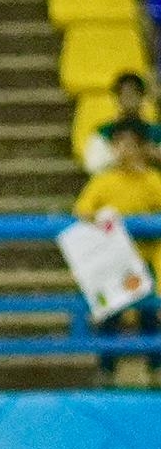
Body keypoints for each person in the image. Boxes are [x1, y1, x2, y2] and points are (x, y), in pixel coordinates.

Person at [74, 121, 161, 375]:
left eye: (131, 145)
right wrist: (98, 219)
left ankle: (155, 368)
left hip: (143, 260)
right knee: (110, 317)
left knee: (148, 316)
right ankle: (107, 369)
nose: (125, 150)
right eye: (119, 144)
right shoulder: (103, 181)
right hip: (113, 262)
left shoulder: (152, 180)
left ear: (142, 149)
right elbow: (83, 209)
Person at [82, 70, 158, 173]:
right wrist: (118, 156)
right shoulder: (104, 132)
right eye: (124, 94)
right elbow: (92, 165)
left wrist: (151, 153)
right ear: (116, 99)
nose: (129, 98)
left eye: (134, 93)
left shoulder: (157, 132)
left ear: (143, 97)